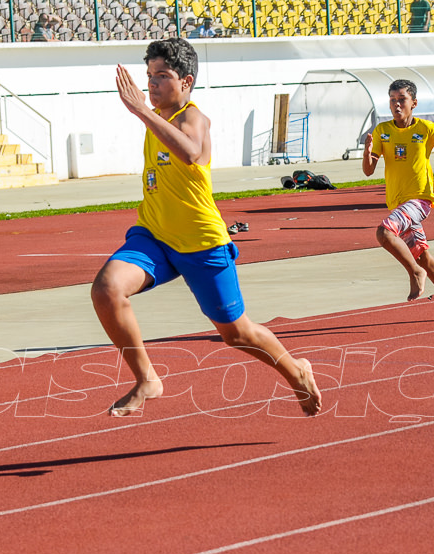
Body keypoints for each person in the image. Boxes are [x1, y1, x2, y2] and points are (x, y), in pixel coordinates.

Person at [92, 38, 322, 417]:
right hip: (153, 235)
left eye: (162, 76)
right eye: (149, 76)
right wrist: (146, 114)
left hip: (200, 242)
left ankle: (295, 370)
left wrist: (140, 112)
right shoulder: (157, 117)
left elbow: (191, 152)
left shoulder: (191, 117)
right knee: (106, 290)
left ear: (186, 81)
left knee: (236, 334)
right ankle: (147, 378)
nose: (151, 84)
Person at [361, 78, 434, 321]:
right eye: (392, 100)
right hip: (397, 203)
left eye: (402, 100)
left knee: (384, 233)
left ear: (414, 103)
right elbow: (368, 171)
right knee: (422, 255)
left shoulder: (425, 129)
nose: (397, 105)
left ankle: (415, 273)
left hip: (420, 200)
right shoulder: (382, 131)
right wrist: (367, 154)